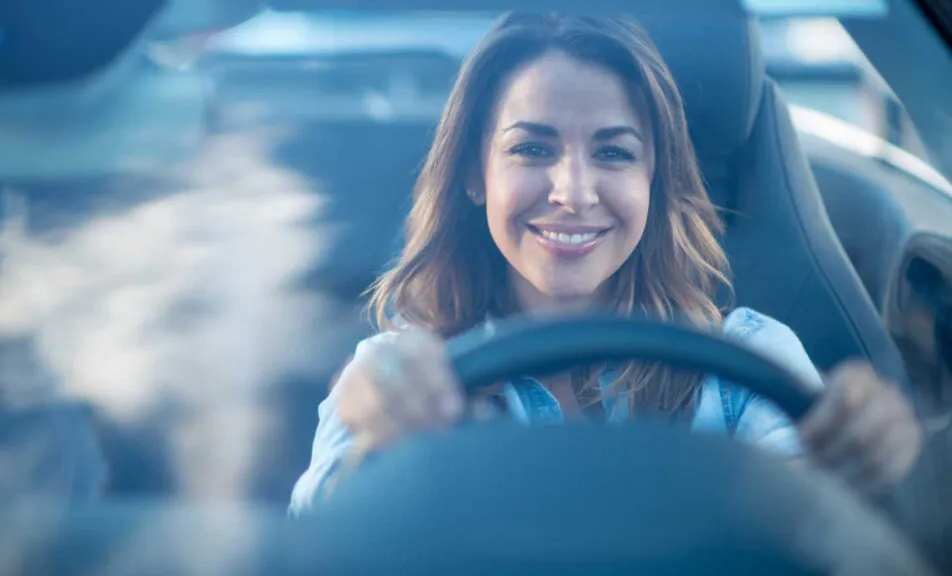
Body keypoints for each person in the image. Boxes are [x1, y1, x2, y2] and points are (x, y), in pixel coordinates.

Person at [289, 12, 923, 516]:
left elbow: (824, 537)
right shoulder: (398, 379)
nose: (573, 192)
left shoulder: (746, 368)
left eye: (614, 153)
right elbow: (319, 547)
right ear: (474, 174)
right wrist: (374, 451)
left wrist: (865, 460)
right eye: (532, 147)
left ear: (654, 178)